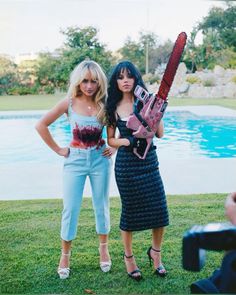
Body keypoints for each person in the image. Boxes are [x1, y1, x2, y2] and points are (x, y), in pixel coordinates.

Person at [35, 60, 114, 279]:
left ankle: (104, 249)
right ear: (78, 82)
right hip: (75, 162)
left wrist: (113, 150)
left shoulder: (106, 104)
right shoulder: (69, 102)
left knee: (102, 206)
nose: (89, 86)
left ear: (100, 82)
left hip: (100, 161)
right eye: (85, 81)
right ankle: (65, 255)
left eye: (94, 81)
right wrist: (58, 149)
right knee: (70, 209)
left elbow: (112, 136)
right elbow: (41, 125)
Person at [106, 60, 169, 281]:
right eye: (120, 77)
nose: (125, 81)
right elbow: (110, 141)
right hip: (127, 168)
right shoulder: (112, 106)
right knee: (130, 212)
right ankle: (129, 257)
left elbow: (159, 133)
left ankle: (156, 253)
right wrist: (128, 141)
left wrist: (155, 111)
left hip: (149, 163)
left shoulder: (146, 101)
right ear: (116, 81)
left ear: (136, 79)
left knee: (159, 210)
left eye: (129, 76)